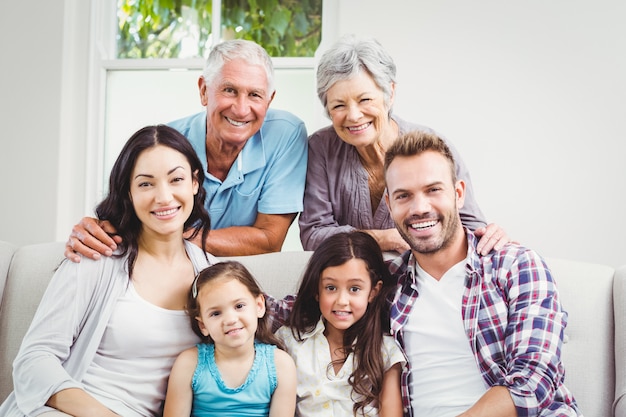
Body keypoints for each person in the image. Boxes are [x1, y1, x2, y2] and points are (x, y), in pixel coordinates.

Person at [0, 125, 219, 417]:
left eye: (176, 179)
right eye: (145, 184)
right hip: (69, 410)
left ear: (194, 182)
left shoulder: (215, 275)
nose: (164, 197)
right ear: (128, 192)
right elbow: (33, 360)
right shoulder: (95, 257)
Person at [383, 130, 580, 416]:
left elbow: (533, 381)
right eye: (404, 196)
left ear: (458, 194)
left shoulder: (516, 266)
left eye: (433, 190)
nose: (420, 208)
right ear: (390, 205)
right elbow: (310, 311)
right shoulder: (386, 284)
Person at [65, 39, 308, 260]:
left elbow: (269, 240)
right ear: (204, 91)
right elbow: (121, 220)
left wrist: (172, 235)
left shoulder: (287, 134)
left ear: (269, 99)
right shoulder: (164, 144)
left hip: (239, 279)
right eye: (229, 90)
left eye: (255, 95)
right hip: (171, 267)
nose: (242, 109)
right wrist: (91, 231)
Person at [299, 34, 507, 255]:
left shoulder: (432, 147)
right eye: (339, 105)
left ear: (390, 94)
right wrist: (383, 238)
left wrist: (491, 236)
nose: (354, 115)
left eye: (365, 100)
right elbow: (313, 235)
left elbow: (471, 229)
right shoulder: (321, 148)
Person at [275, 231, 405, 417]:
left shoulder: (386, 350)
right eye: (331, 288)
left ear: (373, 292)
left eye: (354, 289)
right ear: (316, 290)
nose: (342, 300)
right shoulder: (289, 340)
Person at [163, 261, 296, 417]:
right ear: (203, 325)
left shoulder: (281, 364)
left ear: (259, 306)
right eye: (216, 313)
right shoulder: (189, 363)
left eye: (239, 306)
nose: (230, 320)